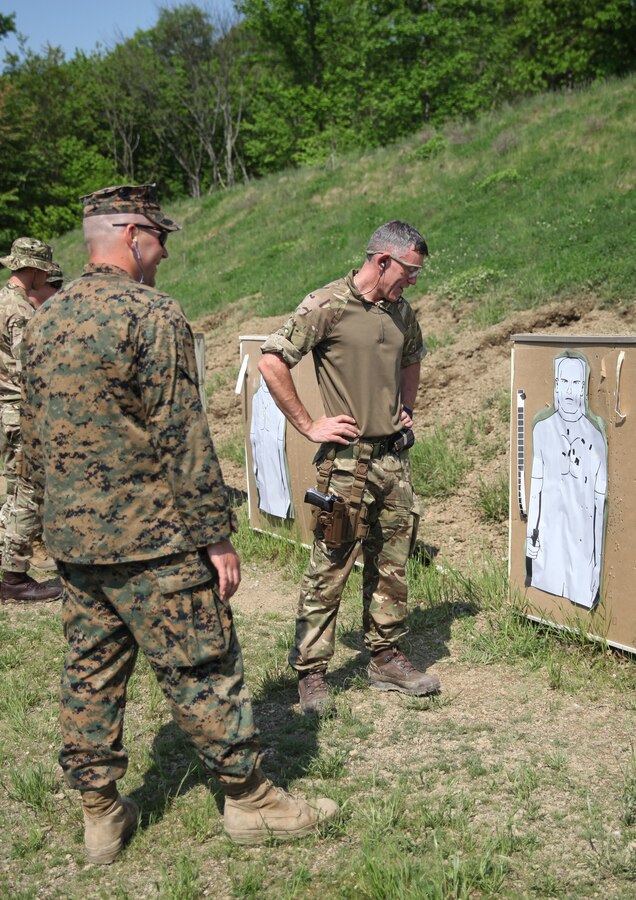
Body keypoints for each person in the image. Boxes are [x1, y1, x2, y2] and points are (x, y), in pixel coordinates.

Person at [20, 183, 337, 864]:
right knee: (202, 664)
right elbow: (183, 436)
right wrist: (215, 535)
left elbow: (32, 436)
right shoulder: (152, 313)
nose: (164, 251)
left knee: (91, 672)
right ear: (132, 235)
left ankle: (100, 813)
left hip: (76, 544)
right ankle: (250, 800)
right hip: (154, 541)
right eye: (160, 236)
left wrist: (51, 522)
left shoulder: (41, 320)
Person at [258, 220, 441, 714]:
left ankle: (384, 657)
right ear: (382, 261)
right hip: (345, 466)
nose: (413, 281)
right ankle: (312, 674)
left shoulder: (401, 311)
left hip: (393, 461)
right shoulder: (327, 305)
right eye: (409, 271)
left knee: (392, 566)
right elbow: (272, 361)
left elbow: (412, 357)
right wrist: (308, 424)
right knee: (330, 566)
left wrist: (407, 406)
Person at [0, 238, 64, 602]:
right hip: (22, 411)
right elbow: (32, 369)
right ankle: (14, 579)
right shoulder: (19, 311)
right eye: (45, 270)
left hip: (7, 409)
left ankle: (9, 562)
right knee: (28, 493)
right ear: (35, 269)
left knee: (15, 490)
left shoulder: (2, 300)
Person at [526, 353, 607, 609]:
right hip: (548, 542)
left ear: (583, 388)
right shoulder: (543, 429)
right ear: (556, 385)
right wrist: (531, 536)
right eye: (564, 382)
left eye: (576, 384)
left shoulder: (595, 437)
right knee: (547, 592)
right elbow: (536, 488)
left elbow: (599, 504)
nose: (569, 392)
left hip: (582, 549)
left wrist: (596, 564)